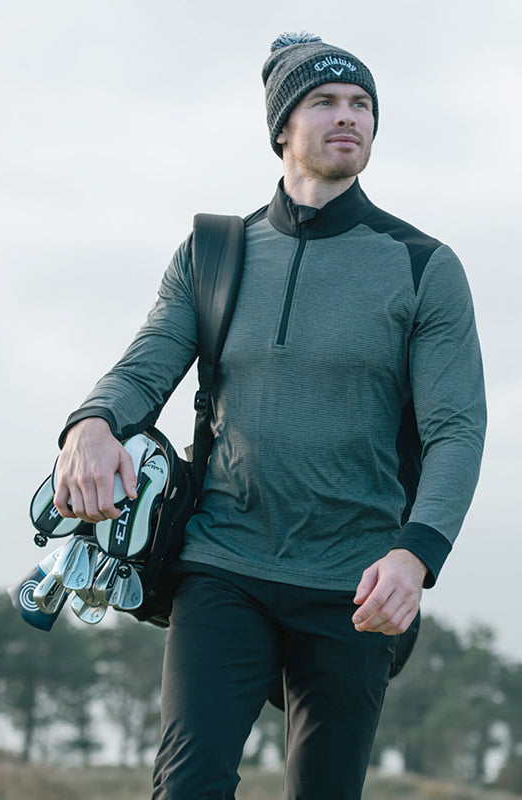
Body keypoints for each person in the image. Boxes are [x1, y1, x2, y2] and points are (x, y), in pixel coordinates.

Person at [52, 32, 486, 800]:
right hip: (224, 563)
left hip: (356, 582)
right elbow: (146, 364)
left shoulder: (423, 266)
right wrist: (91, 425)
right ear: (283, 126)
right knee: (188, 787)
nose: (347, 116)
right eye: (324, 101)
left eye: (361, 104)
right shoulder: (215, 252)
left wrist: (416, 555)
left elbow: (457, 428)